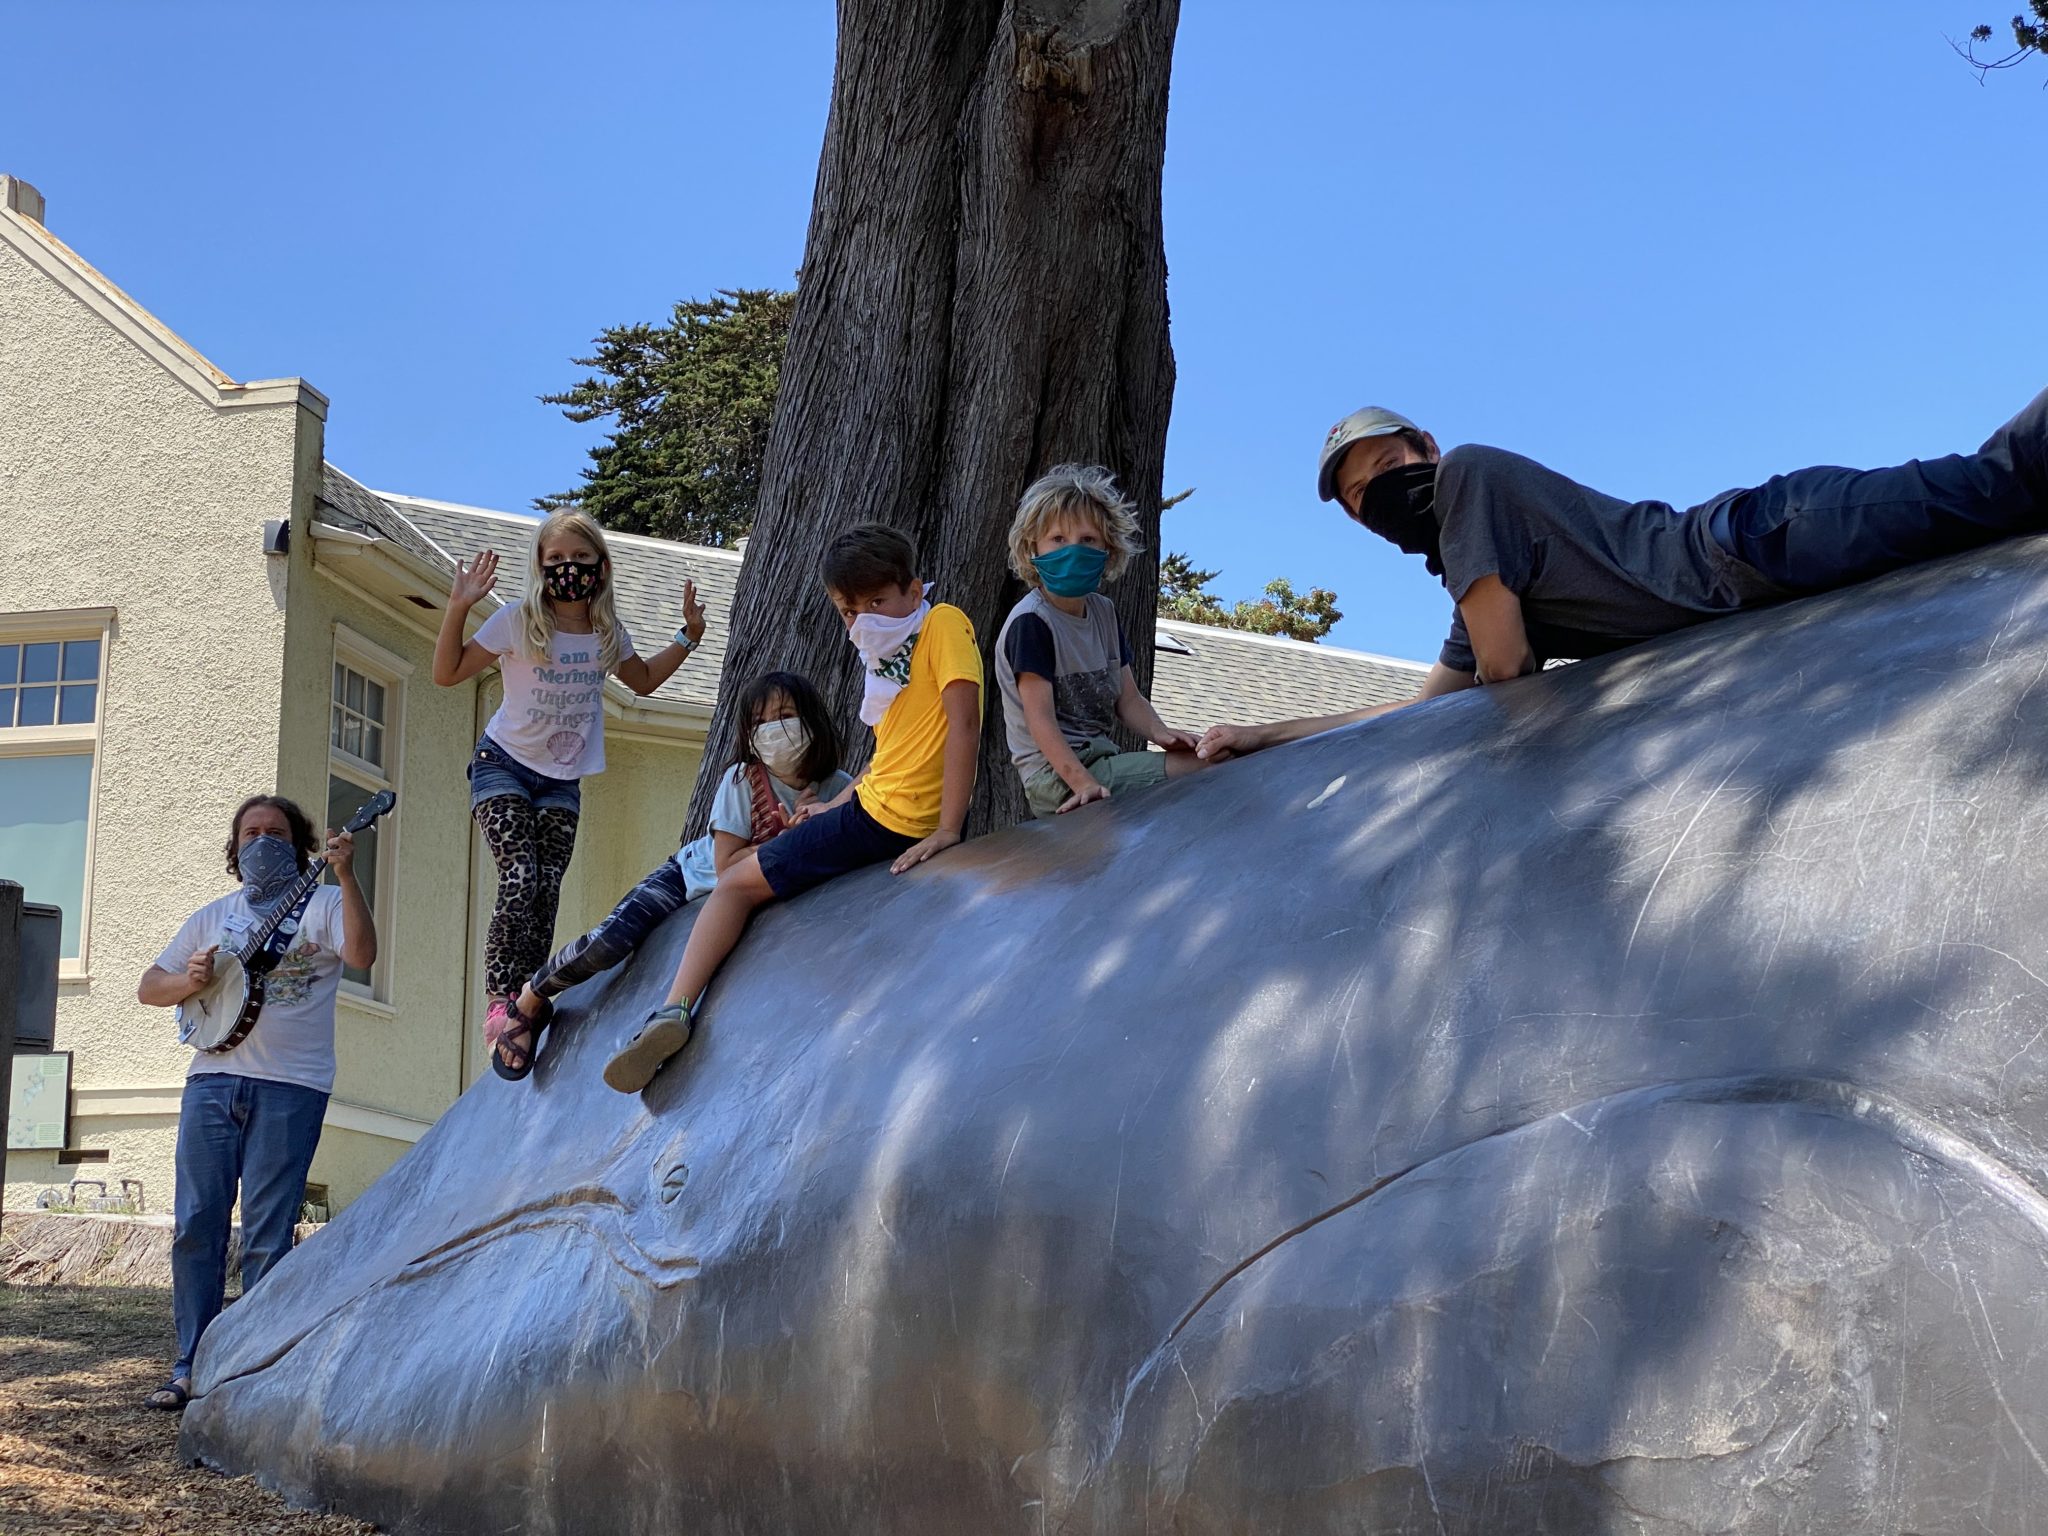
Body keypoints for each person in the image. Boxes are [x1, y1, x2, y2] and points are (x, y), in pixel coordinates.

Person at [1199, 387, 2048, 760]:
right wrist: (1263, 734)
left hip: (1757, 539)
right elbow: (1422, 712)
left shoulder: (1470, 481)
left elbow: (1498, 671)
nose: (1378, 490)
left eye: (1388, 463)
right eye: (1359, 495)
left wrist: (1507, 669)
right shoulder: (1480, 577)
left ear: (1427, 449)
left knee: (1998, 484)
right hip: (1755, 594)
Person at [601, 524, 982, 1094]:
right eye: (848, 611)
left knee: (732, 883)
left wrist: (949, 827)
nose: (863, 621)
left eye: (877, 601)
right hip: (873, 807)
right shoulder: (888, 656)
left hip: (891, 821)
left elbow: (966, 722)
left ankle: (673, 1010)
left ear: (915, 588)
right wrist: (835, 804)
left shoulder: (943, 624)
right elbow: (894, 755)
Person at [432, 509, 708, 1079]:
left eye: (579, 560)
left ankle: (529, 998)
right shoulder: (516, 621)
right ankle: (501, 1001)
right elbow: (448, 671)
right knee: (521, 878)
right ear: (539, 567)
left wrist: (688, 637)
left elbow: (645, 680)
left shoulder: (606, 634)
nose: (568, 571)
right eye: (555, 561)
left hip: (561, 779)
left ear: (600, 568)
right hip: (501, 765)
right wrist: (459, 606)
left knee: (548, 888)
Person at [135, 794, 377, 1412]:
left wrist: (346, 874)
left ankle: (251, 1368)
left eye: (274, 832)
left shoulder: (320, 903)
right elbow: (149, 988)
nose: (261, 841)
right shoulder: (211, 918)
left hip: (292, 1086)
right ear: (235, 849)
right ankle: (190, 1363)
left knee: (269, 1235)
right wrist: (190, 981)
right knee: (197, 1225)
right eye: (250, 834)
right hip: (212, 1081)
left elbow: (361, 955)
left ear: (297, 845)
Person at [501, 670, 853, 1048]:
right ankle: (531, 996)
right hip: (687, 877)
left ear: (811, 720)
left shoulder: (836, 787)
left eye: (785, 716)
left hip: (756, 890)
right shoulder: (741, 780)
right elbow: (727, 865)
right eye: (760, 722)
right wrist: (790, 841)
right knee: (612, 940)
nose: (773, 730)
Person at [994, 464, 1207, 817]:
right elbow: (1040, 721)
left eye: (1087, 540)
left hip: (1101, 759)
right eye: (1058, 539)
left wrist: (1163, 734)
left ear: (1108, 550)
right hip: (1056, 776)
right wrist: (1083, 785)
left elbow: (1129, 700)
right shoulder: (1032, 623)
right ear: (1033, 548)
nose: (1072, 550)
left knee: (1207, 755)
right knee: (1204, 770)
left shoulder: (1104, 613)